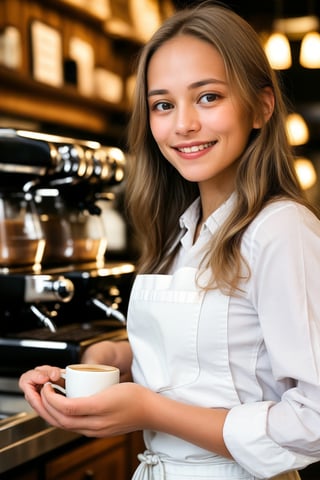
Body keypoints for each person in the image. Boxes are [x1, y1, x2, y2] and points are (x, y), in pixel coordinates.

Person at [19, 2, 320, 479]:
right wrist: (108, 361)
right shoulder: (183, 231)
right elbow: (206, 357)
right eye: (163, 104)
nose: (182, 124)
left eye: (208, 97)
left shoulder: (281, 229)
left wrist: (150, 412)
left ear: (262, 106)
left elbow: (314, 420)